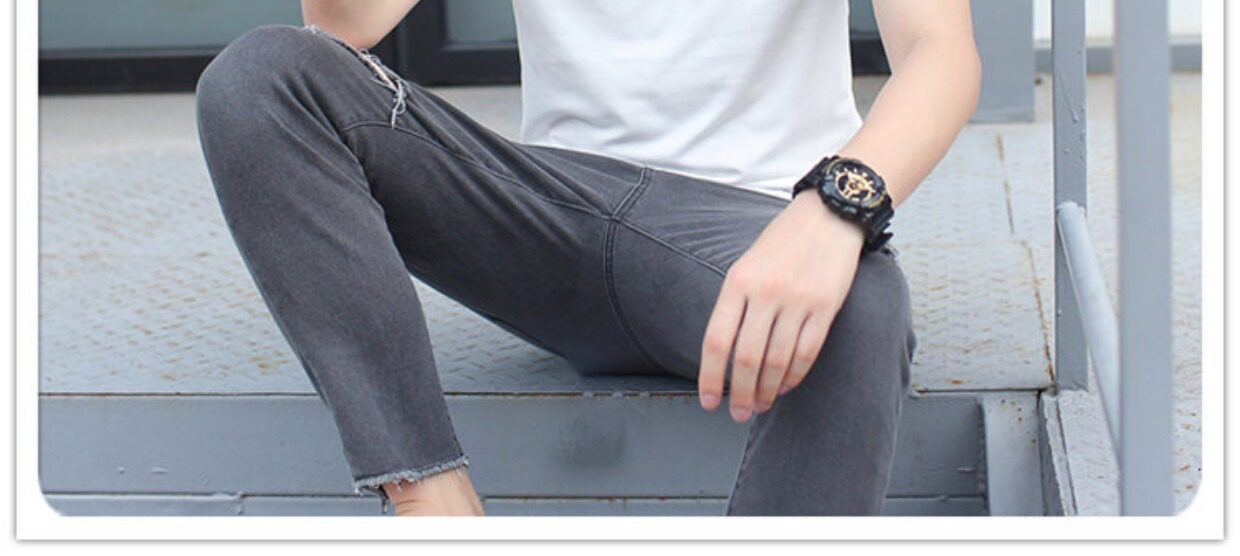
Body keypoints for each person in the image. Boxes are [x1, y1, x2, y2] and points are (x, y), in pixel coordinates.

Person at [194, 0, 980, 516]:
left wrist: (837, 207)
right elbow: (342, 20)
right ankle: (435, 508)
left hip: (757, 232)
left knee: (859, 308)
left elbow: (940, 50)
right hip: (546, 212)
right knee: (260, 79)